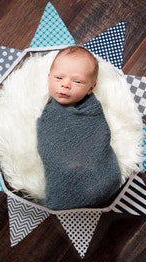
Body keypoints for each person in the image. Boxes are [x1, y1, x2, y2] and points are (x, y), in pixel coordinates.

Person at [37, 46, 121, 210]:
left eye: (77, 81)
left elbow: (99, 135)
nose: (66, 84)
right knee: (67, 167)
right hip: (64, 166)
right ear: (49, 78)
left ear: (91, 87)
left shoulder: (92, 110)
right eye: (59, 77)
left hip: (100, 173)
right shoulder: (47, 111)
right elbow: (48, 143)